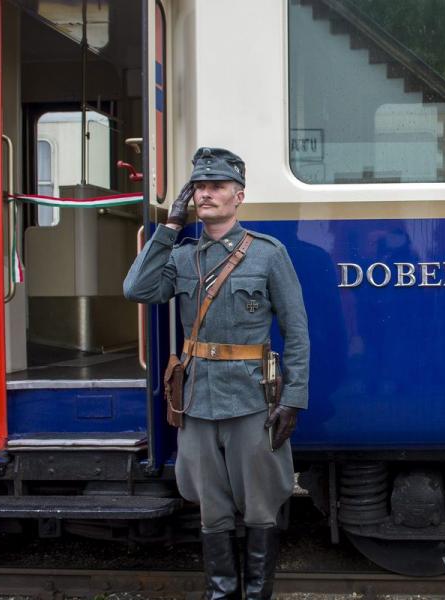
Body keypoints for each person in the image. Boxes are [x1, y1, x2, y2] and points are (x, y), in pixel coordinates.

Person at [124, 147, 310, 600]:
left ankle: (256, 595)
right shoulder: (183, 256)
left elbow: (297, 329)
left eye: (217, 186)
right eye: (199, 187)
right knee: (211, 510)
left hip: (252, 398)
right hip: (198, 400)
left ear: (238, 196)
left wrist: (294, 398)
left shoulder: (267, 254)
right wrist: (169, 227)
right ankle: (221, 593)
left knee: (262, 507)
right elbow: (137, 288)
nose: (206, 194)